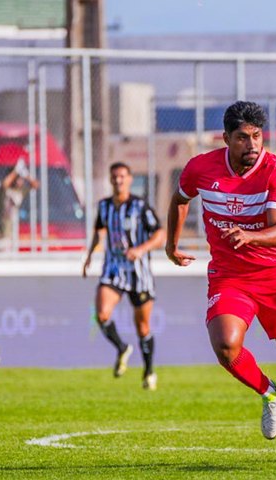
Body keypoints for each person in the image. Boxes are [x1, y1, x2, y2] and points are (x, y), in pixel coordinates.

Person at [165, 101, 276, 463]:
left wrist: (251, 237)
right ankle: (269, 391)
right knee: (225, 346)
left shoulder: (275, 170)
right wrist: (171, 246)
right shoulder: (201, 168)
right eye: (243, 138)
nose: (252, 145)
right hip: (230, 274)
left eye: (257, 136)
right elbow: (180, 198)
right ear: (226, 139)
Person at [82, 162, 165, 390]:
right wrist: (89, 256)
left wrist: (140, 249)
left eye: (122, 176)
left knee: (143, 327)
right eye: (114, 177)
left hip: (139, 272)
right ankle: (121, 348)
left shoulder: (140, 206)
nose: (118, 180)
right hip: (114, 269)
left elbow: (160, 234)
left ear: (129, 179)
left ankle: (149, 372)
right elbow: (99, 233)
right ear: (110, 180)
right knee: (102, 313)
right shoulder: (105, 206)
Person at [0, 159, 40, 249]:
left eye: (21, 179)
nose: (20, 181)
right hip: (0, 230)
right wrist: (15, 171)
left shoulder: (21, 190)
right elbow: (5, 184)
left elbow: (36, 185)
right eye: (18, 178)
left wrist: (26, 175)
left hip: (12, 229)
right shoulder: (5, 190)